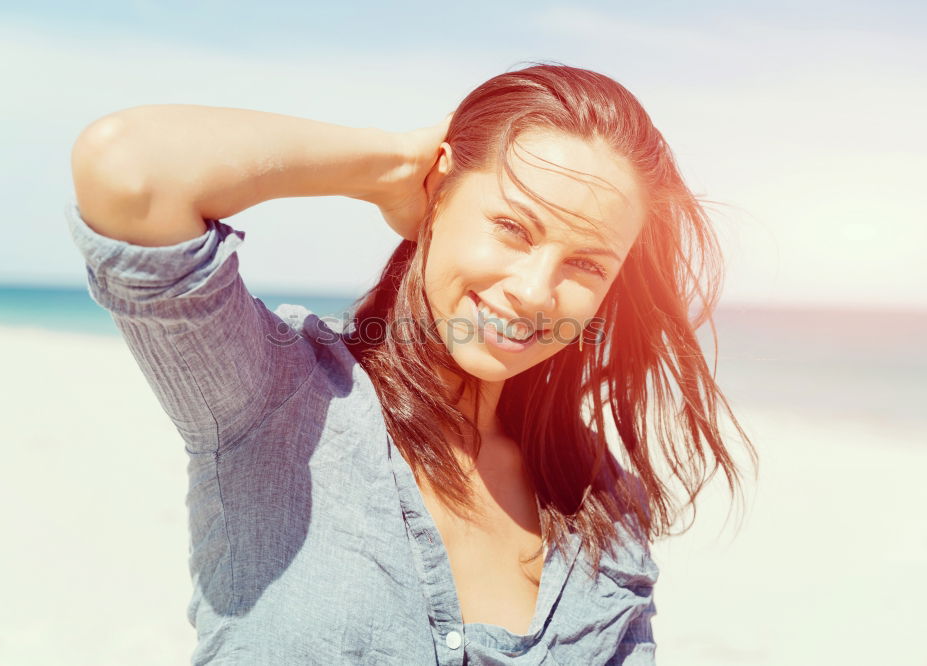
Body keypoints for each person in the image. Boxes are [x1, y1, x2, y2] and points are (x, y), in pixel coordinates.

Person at [67, 62, 757, 665]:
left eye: (586, 262)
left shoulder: (602, 503)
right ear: (440, 193)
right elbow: (127, 169)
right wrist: (389, 165)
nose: (536, 291)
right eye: (513, 227)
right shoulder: (278, 397)